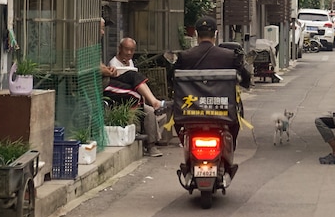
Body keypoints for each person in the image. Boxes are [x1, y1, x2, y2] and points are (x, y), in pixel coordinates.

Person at [174, 16, 249, 172]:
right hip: (222, 112)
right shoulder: (229, 56)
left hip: (189, 113)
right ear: (216, 33)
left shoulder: (185, 56)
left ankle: (186, 146)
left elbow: (172, 78)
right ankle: (229, 154)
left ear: (196, 34)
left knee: (176, 119)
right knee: (236, 121)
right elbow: (245, 78)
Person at [106, 37, 167, 157]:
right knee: (135, 77)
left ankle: (151, 145)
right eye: (126, 49)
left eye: (132, 50)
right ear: (120, 49)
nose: (129, 53)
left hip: (133, 98)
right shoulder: (113, 64)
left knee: (151, 112)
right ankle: (151, 143)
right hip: (121, 100)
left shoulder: (130, 62)